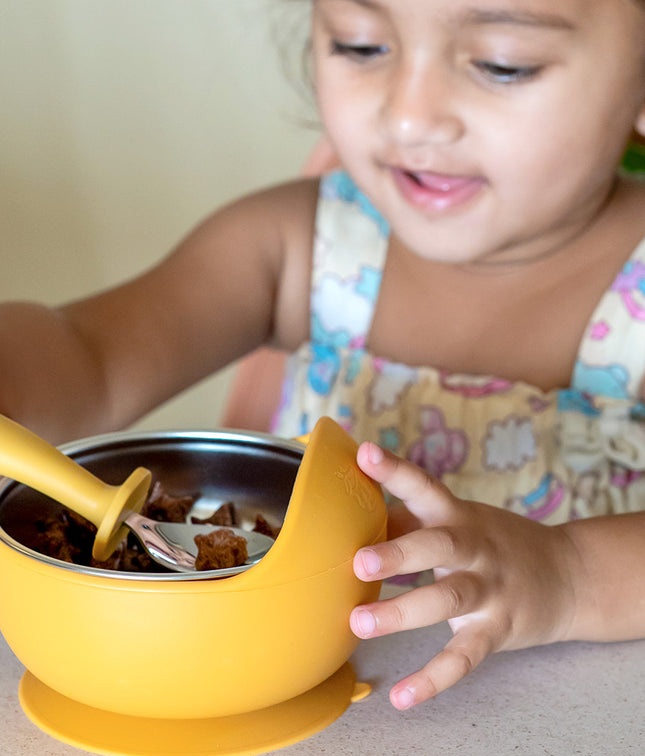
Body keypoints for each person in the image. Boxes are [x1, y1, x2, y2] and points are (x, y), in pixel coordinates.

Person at [3, 0, 645, 709]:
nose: (408, 116)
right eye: (362, 45)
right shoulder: (299, 242)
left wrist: (570, 573)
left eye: (502, 63)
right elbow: (91, 355)